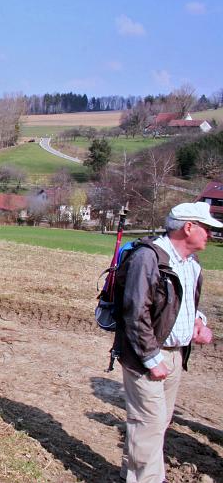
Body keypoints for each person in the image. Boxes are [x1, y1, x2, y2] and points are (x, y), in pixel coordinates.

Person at [116, 202, 216, 483]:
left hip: (174, 355)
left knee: (156, 425)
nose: (210, 234)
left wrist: (198, 322)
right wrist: (151, 358)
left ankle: (130, 475)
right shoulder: (148, 258)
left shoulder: (191, 265)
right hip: (146, 354)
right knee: (148, 423)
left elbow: (181, 304)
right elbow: (135, 312)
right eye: (206, 228)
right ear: (188, 227)